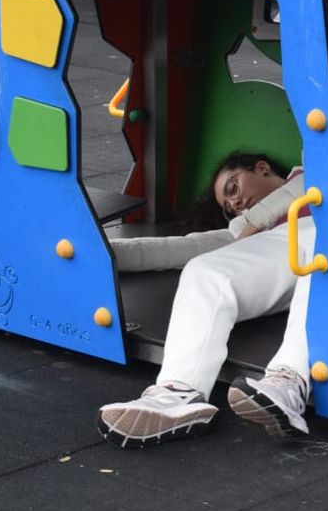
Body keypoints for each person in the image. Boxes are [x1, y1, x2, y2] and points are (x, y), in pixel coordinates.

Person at [97, 152, 316, 448]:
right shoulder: (245, 230)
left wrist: (251, 221)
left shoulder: (308, 176)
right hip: (280, 245)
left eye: (233, 188)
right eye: (229, 207)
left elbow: (305, 187)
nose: (235, 204)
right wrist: (101, 250)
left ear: (262, 168)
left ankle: (288, 380)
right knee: (205, 270)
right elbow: (183, 248)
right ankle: (178, 392)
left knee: (324, 263)